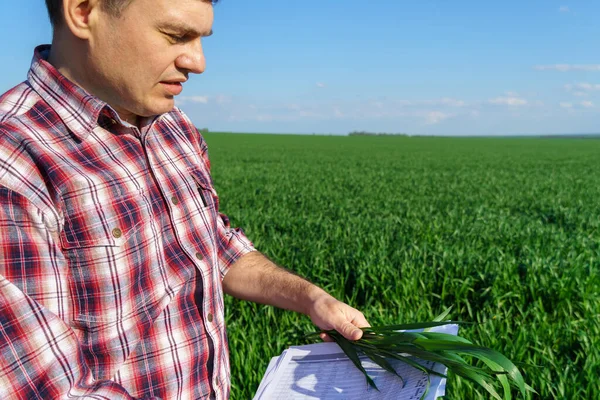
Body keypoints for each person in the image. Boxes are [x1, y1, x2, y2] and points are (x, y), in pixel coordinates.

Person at [0, 0, 369, 398]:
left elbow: (213, 242)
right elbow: (47, 389)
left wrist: (311, 298)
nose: (198, 62)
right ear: (84, 11)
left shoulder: (173, 127)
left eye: (200, 39)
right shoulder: (15, 162)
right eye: (175, 35)